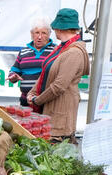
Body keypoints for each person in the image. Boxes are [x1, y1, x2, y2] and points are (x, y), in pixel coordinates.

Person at [27, 8, 89, 144]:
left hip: (61, 115)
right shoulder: (61, 48)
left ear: (60, 29)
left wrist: (37, 100)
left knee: (56, 155)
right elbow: (46, 72)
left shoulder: (74, 52)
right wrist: (32, 92)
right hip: (51, 110)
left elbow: (59, 86)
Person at [7, 17, 56, 110]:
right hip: (25, 102)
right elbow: (14, 71)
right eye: (37, 32)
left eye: (44, 33)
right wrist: (13, 76)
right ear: (31, 34)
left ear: (49, 34)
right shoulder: (23, 52)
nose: (40, 37)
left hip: (46, 102)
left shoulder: (55, 51)